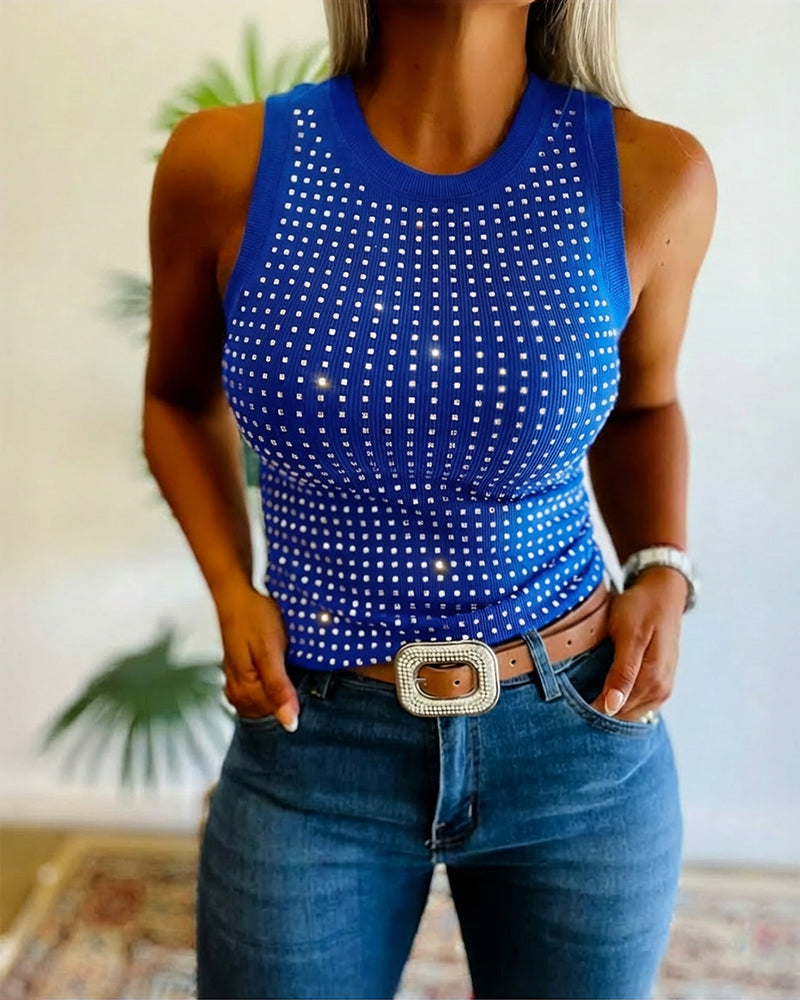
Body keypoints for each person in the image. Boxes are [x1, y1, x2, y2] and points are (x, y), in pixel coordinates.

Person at [143, 0, 716, 996]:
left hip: (576, 732)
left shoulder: (651, 174)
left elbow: (644, 404)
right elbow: (175, 400)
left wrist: (661, 566)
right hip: (312, 736)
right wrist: (232, 588)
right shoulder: (225, 163)